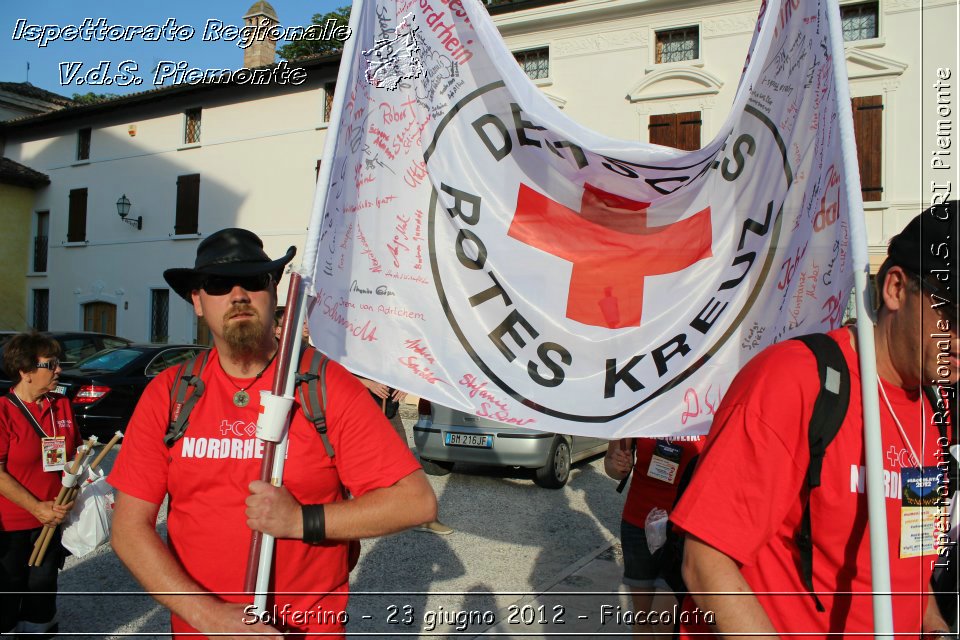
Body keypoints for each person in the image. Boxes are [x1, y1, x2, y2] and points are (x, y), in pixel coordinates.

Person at [109, 228, 437, 638]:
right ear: (197, 300)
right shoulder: (171, 393)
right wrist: (209, 617)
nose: (238, 294)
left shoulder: (322, 384)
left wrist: (301, 520)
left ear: (275, 290)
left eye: (254, 280)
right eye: (217, 284)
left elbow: (415, 501)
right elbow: (128, 528)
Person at [672, 203, 958, 636]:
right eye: (953, 317)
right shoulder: (796, 381)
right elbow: (705, 561)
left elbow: (909, 563)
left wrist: (933, 625)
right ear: (896, 289)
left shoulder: (934, 411)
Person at [0, 333, 80, 638]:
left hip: (51, 518)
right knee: (7, 589)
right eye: (51, 363)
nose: (58, 370)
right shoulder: (3, 410)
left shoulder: (61, 405)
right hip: (10, 524)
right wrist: (36, 507)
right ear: (25, 370)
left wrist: (73, 489)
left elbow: (72, 456)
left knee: (42, 590)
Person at [604, 436, 702, 636]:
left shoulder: (707, 409)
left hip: (683, 529)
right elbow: (611, 466)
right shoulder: (641, 407)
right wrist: (618, 466)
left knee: (663, 619)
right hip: (638, 523)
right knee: (642, 618)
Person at [356, 376, 454, 535]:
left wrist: (406, 385)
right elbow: (336, 367)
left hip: (389, 410)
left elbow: (410, 368)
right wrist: (370, 384)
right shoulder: (357, 350)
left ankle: (421, 517)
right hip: (359, 410)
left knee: (406, 466)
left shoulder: (395, 350)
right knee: (361, 466)